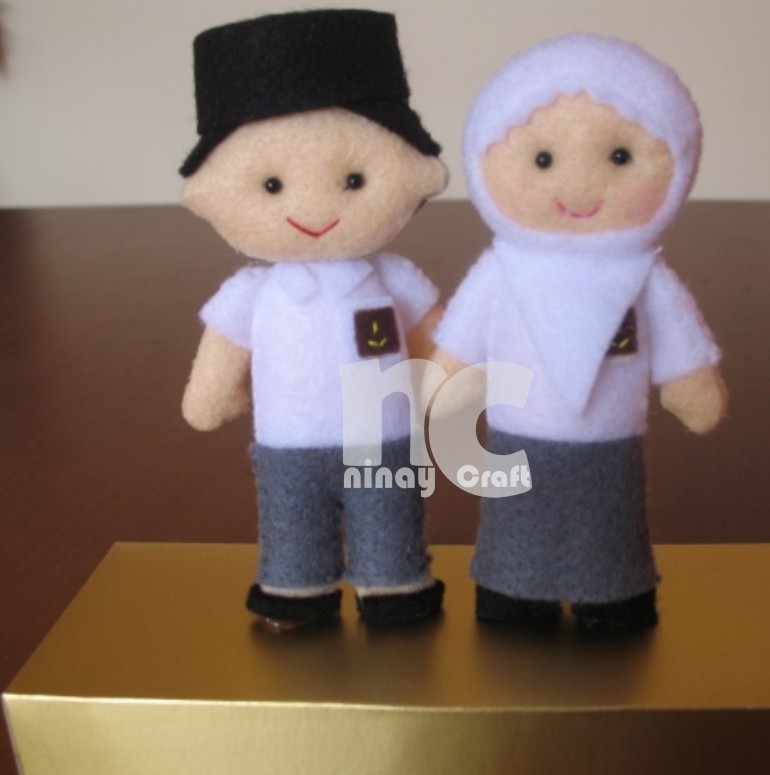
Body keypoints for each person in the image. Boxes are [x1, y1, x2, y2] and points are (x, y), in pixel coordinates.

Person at [433, 34, 727, 632]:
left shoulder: (646, 277)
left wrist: (689, 383)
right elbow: (458, 344)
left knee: (608, 518)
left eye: (619, 157)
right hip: (517, 432)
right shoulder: (500, 270)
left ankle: (612, 594)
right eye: (542, 160)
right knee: (519, 518)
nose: (578, 186)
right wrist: (443, 381)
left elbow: (680, 347)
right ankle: (514, 590)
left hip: (610, 439)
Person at [180, 10, 448, 629]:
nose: (312, 208)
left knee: (388, 516)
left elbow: (438, 341)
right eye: (272, 184)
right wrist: (211, 395)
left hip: (383, 436)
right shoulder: (254, 292)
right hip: (288, 443)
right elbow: (222, 349)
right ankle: (294, 586)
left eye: (354, 179)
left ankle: (394, 582)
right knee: (292, 520)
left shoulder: (394, 280)